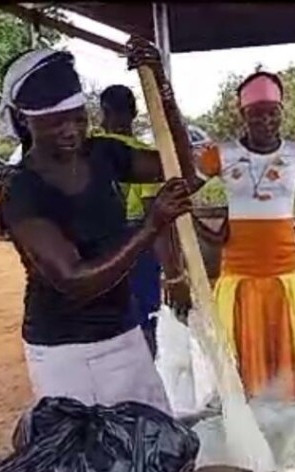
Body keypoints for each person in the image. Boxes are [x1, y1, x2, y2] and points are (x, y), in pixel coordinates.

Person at [0, 44, 192, 412]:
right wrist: (151, 227)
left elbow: (182, 170)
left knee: (156, 448)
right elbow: (74, 280)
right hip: (66, 353)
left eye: (78, 117)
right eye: (56, 122)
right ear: (27, 121)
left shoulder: (103, 154)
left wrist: (161, 85)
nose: (71, 130)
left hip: (123, 334)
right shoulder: (22, 190)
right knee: (93, 462)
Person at [192, 71, 295, 400]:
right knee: (240, 361)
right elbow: (177, 197)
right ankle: (245, 428)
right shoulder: (220, 155)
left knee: (286, 360)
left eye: (272, 112)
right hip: (238, 276)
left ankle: (284, 426)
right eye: (256, 112)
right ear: (242, 114)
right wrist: (205, 232)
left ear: (281, 112)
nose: (265, 120)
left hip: (284, 276)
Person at [96, 84, 190, 357]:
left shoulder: (90, 149)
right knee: (141, 323)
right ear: (134, 113)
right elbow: (156, 220)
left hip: (98, 249)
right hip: (137, 247)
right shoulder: (142, 155)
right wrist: (174, 275)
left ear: (104, 113)